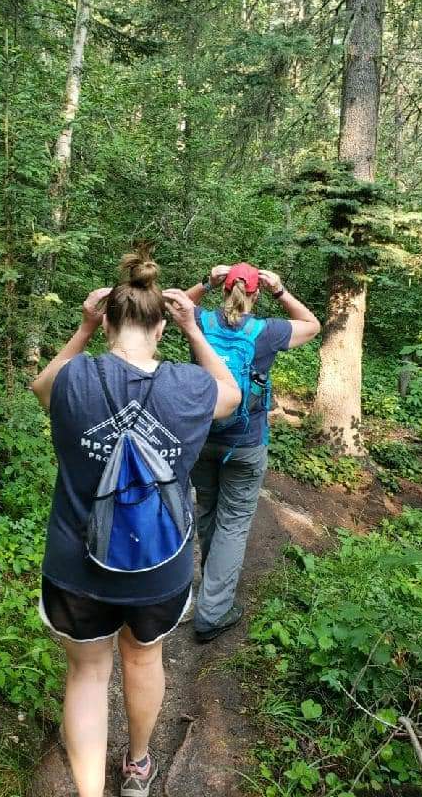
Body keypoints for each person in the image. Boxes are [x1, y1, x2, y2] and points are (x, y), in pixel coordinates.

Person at [30, 248, 240, 797]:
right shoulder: (190, 387)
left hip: (76, 566)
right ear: (161, 330)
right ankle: (139, 767)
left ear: (107, 326)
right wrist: (196, 331)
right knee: (144, 658)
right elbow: (232, 396)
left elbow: (40, 387)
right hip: (160, 564)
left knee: (87, 675)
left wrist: (81, 327)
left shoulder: (73, 379)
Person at [184, 262, 321, 642]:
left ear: (224, 290)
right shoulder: (266, 332)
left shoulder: (199, 321)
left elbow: (171, 305)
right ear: (255, 293)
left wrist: (204, 282)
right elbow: (312, 325)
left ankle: (212, 590)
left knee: (208, 511)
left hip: (202, 438)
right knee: (233, 522)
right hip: (245, 442)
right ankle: (213, 611)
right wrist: (281, 290)